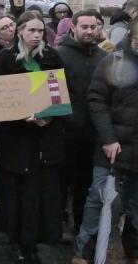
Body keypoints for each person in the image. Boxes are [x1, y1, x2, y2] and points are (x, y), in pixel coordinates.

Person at [0, 11, 66, 263]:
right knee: (17, 190)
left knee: (39, 191)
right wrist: (22, 116)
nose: (36, 35)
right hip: (16, 137)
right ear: (20, 31)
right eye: (31, 30)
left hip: (44, 138)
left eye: (40, 31)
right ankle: (17, 239)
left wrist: (51, 116)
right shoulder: (5, 59)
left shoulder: (53, 57)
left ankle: (33, 240)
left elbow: (59, 94)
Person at [72, 18, 138, 264]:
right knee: (99, 202)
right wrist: (109, 139)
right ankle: (85, 253)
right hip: (113, 149)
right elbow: (96, 101)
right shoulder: (114, 62)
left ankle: (133, 251)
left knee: (135, 207)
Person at [55, 11, 107, 241]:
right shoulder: (59, 55)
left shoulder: (104, 58)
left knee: (85, 183)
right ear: (73, 27)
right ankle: (59, 222)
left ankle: (80, 225)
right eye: (84, 26)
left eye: (93, 27)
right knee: (61, 181)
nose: (89, 31)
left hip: (93, 134)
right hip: (64, 132)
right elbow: (51, 94)